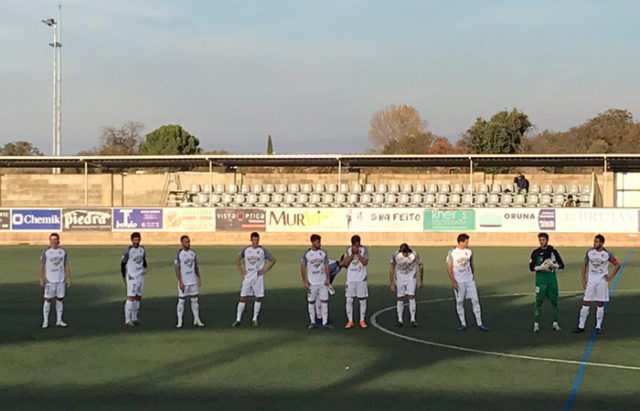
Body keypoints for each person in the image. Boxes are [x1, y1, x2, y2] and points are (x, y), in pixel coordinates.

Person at [572, 235, 621, 335]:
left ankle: (598, 326)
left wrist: (611, 276)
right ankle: (581, 326)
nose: (594, 243)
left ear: (602, 243)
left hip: (602, 281)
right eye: (594, 241)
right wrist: (583, 279)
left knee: (600, 303)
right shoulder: (590, 252)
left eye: (597, 242)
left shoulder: (607, 254)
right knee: (586, 302)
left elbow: (617, 264)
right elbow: (584, 265)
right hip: (591, 280)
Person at [233, 232, 276, 327]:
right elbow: (237, 259)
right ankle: (238, 319)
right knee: (242, 297)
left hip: (258, 277)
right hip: (248, 276)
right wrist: (241, 270)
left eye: (257, 240)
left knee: (258, 297)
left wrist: (266, 270)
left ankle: (254, 318)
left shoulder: (262, 250)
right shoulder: (246, 250)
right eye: (254, 240)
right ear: (251, 240)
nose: (255, 242)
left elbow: (273, 260)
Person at [446, 234, 488, 331]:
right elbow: (449, 268)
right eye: (466, 241)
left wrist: (471, 275)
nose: (467, 243)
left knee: (475, 300)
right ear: (461, 242)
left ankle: (479, 323)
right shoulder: (452, 252)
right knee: (460, 301)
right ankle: (463, 323)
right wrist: (453, 281)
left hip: (469, 281)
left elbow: (471, 264)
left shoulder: (469, 251)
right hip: (459, 281)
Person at [529, 233, 565, 333]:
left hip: (551, 280)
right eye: (540, 240)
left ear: (547, 240)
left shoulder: (553, 251)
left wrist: (554, 266)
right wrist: (540, 267)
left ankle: (555, 323)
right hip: (540, 281)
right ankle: (536, 324)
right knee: (538, 301)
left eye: (543, 240)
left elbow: (562, 265)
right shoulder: (535, 252)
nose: (541, 242)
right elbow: (531, 268)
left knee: (554, 302)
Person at [39, 233, 71, 328]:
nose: (53, 242)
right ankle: (45, 321)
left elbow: (66, 265)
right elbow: (42, 265)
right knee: (48, 300)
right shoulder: (46, 252)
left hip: (60, 280)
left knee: (59, 299)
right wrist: (41, 278)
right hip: (50, 280)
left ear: (58, 241)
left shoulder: (63, 252)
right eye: (51, 240)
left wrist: (68, 278)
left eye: (55, 240)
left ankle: (59, 320)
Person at [389, 243, 423, 327]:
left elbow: (420, 265)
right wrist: (391, 283)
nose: (404, 254)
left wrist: (420, 280)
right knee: (400, 297)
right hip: (400, 277)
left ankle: (413, 319)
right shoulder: (396, 255)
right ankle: (400, 319)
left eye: (406, 253)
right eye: (403, 253)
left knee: (411, 296)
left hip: (411, 276)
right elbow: (392, 267)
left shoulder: (414, 254)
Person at [301, 234, 331, 329]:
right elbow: (303, 268)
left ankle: (324, 322)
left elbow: (326, 266)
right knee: (311, 301)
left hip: (322, 281)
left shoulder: (323, 253)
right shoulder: (307, 254)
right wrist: (305, 281)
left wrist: (328, 278)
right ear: (313, 242)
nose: (320, 244)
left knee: (324, 301)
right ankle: (312, 322)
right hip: (312, 282)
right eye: (318, 242)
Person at [174, 235, 204, 328]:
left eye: (189, 242)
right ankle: (180, 321)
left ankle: (197, 319)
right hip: (184, 281)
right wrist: (180, 282)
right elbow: (177, 269)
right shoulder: (179, 254)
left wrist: (199, 278)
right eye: (186, 242)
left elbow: (196, 266)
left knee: (195, 300)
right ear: (182, 243)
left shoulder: (192, 253)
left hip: (192, 280)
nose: (188, 243)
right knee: (181, 300)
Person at [340, 235, 369, 329]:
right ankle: (350, 321)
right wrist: (352, 254)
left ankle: (362, 320)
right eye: (355, 245)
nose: (357, 246)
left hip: (361, 278)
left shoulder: (364, 249)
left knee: (362, 299)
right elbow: (345, 263)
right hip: (351, 279)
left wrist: (358, 255)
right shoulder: (348, 250)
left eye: (358, 244)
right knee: (349, 299)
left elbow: (365, 262)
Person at [121, 232, 148, 327]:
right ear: (132, 240)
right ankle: (127, 320)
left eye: (138, 240)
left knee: (138, 297)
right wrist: (124, 277)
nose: (136, 242)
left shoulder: (142, 249)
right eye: (135, 240)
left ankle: (134, 317)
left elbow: (144, 260)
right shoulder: (128, 251)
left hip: (140, 276)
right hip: (131, 277)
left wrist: (145, 267)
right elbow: (122, 264)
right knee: (130, 297)